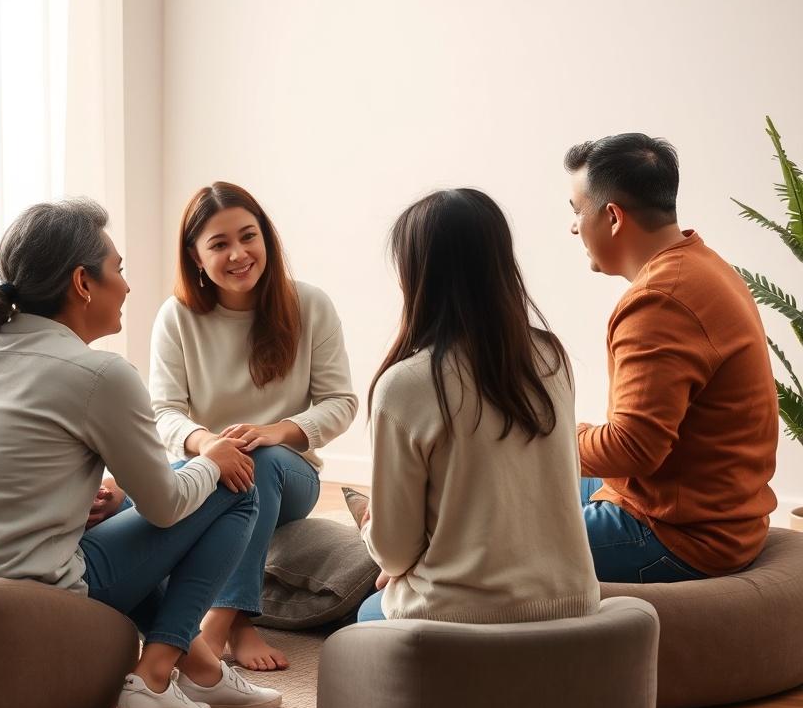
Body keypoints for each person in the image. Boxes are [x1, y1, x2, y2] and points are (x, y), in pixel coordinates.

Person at [0, 198, 281, 708]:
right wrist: (212, 457)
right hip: (27, 603)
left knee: (131, 511)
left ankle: (205, 668)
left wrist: (121, 495)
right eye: (117, 269)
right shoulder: (98, 373)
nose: (126, 285)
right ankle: (155, 676)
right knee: (236, 488)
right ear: (82, 283)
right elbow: (167, 509)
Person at [357, 188, 599, 624]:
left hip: (462, 619)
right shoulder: (551, 357)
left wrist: (372, 528)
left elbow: (394, 554)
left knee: (366, 614)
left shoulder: (404, 385)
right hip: (573, 607)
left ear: (416, 275)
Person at [149, 182, 357, 670]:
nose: (239, 254)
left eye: (248, 237)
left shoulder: (310, 304)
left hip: (287, 476)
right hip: (204, 472)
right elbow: (163, 412)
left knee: (258, 459)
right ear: (196, 257)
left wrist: (276, 431)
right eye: (219, 245)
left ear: (267, 238)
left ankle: (216, 622)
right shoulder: (176, 316)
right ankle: (241, 626)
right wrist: (207, 444)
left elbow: (340, 402)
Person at [565, 133, 778, 582]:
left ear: (612, 217)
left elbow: (632, 447)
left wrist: (547, 437)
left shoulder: (659, 300)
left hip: (679, 535)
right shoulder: (703, 264)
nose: (572, 228)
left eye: (576, 211)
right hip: (706, 513)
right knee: (511, 492)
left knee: (484, 537)